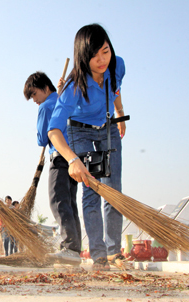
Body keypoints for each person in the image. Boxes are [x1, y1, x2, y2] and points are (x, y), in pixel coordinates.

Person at [48, 23, 126, 271]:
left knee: (114, 190)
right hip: (80, 132)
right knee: (93, 189)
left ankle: (115, 251)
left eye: (105, 51)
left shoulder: (118, 65)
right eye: (94, 56)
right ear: (83, 57)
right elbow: (54, 130)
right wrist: (72, 159)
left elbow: (115, 89)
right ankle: (99, 253)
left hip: (108, 127)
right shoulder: (73, 87)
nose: (102, 60)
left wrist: (120, 112)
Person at [24, 72, 82, 265]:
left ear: (44, 88)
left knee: (57, 200)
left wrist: (42, 114)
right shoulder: (62, 100)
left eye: (33, 95)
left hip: (59, 157)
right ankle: (74, 249)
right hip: (74, 158)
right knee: (69, 204)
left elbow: (42, 139)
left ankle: (69, 246)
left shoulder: (47, 106)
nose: (34, 100)